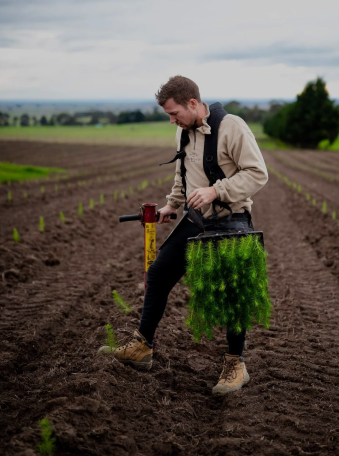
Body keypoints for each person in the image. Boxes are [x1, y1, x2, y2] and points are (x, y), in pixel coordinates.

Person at [114, 75, 268, 396]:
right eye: (169, 116)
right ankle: (143, 348)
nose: (172, 120)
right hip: (196, 220)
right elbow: (182, 174)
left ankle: (235, 364)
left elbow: (257, 173)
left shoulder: (233, 127)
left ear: (193, 103)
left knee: (232, 295)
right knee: (158, 274)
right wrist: (173, 204)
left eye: (175, 113)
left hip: (231, 220)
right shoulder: (183, 133)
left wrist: (216, 190)